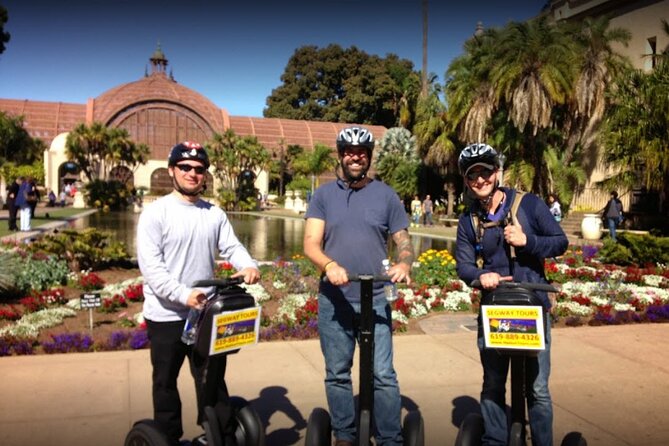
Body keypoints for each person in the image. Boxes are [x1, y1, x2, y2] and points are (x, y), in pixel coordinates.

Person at [136, 141, 261, 446]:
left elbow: (232, 246)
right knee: (165, 382)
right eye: (185, 167)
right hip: (166, 315)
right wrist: (183, 294)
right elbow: (152, 268)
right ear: (172, 171)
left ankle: (217, 435)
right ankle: (166, 437)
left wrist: (248, 265)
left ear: (205, 175)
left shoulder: (213, 213)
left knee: (212, 379)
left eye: (199, 169)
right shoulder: (156, 213)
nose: (192, 174)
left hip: (205, 313)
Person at [303, 126, 415, 446]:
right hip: (335, 299)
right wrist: (330, 265)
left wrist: (404, 262)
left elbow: (402, 240)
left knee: (383, 374)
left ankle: (391, 437)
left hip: (376, 298)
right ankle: (345, 436)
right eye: (350, 152)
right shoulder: (324, 195)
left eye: (362, 152)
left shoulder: (386, 195)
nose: (356, 157)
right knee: (338, 373)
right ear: (341, 155)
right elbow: (311, 243)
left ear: (368, 158)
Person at [454, 143, 568, 446]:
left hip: (533, 308)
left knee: (538, 388)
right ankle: (495, 440)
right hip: (495, 310)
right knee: (493, 383)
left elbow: (560, 242)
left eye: (485, 172)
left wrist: (527, 240)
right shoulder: (469, 220)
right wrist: (481, 276)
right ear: (466, 181)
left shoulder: (528, 205)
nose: (480, 180)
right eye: (473, 175)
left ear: (497, 173)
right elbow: (463, 265)